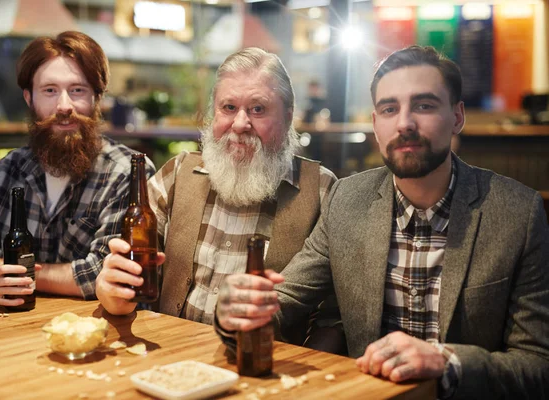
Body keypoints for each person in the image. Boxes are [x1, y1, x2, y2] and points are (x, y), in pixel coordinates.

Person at [215, 45, 549, 399]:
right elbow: (287, 301)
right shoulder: (347, 200)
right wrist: (237, 314)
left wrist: (446, 361)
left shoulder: (517, 213)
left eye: (424, 105)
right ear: (376, 124)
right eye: (390, 109)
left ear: (457, 117)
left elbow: (538, 366)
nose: (404, 123)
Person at [96, 47, 342, 351]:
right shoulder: (177, 173)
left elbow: (333, 318)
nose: (240, 124)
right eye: (228, 107)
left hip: (264, 371)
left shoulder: (321, 190)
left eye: (258, 109)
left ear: (288, 116)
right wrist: (113, 292)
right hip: (167, 362)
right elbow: (128, 279)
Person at [0, 31, 155, 308]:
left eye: (78, 90)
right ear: (28, 98)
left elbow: (104, 274)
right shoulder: (11, 168)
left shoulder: (125, 173)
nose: (64, 106)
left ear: (97, 97)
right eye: (50, 90)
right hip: (9, 334)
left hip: (93, 338)